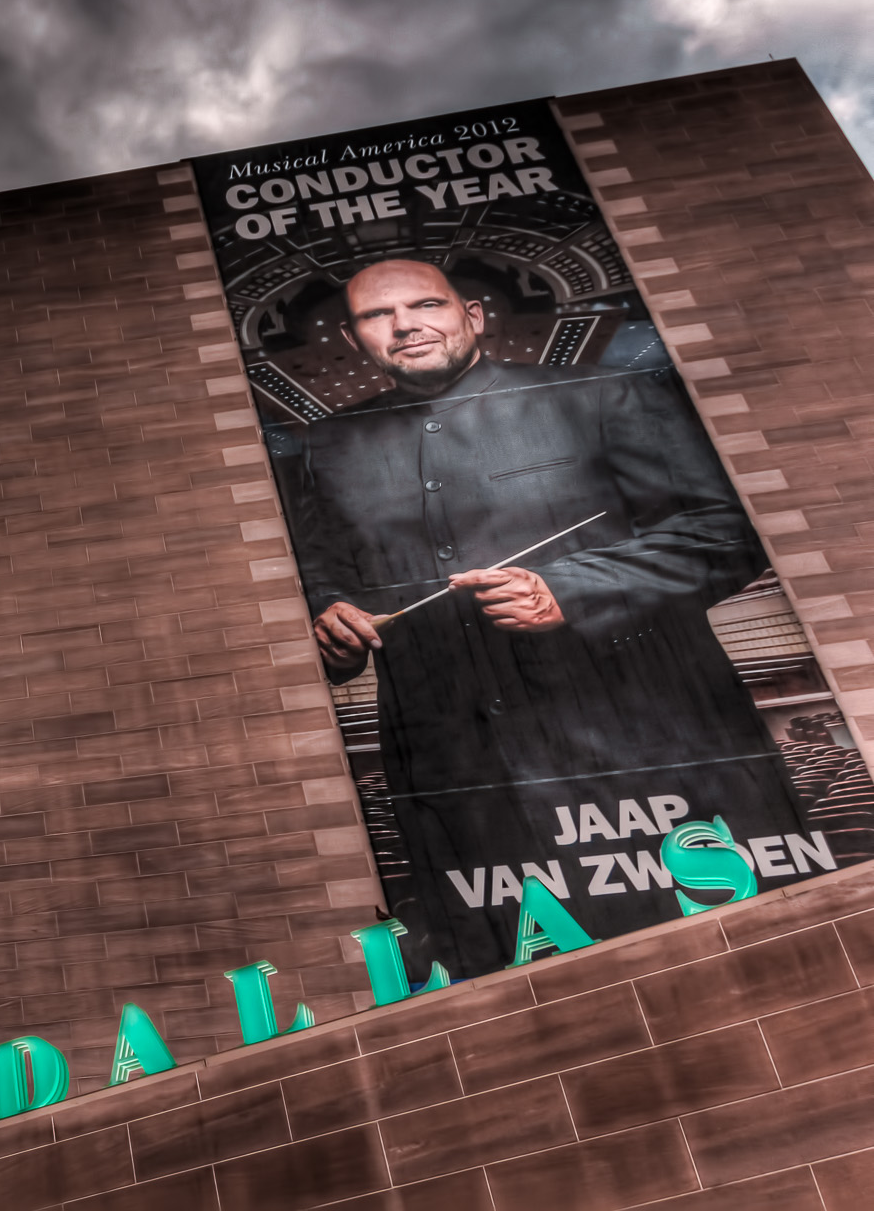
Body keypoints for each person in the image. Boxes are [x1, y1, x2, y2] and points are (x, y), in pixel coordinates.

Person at [276, 259, 810, 976]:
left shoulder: (604, 395)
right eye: (379, 316)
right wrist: (328, 622)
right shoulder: (321, 450)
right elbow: (319, 578)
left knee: (735, 951)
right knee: (512, 977)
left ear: (473, 316)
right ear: (353, 335)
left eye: (426, 304)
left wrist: (575, 588)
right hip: (453, 765)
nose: (404, 325)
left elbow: (727, 530)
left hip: (648, 740)